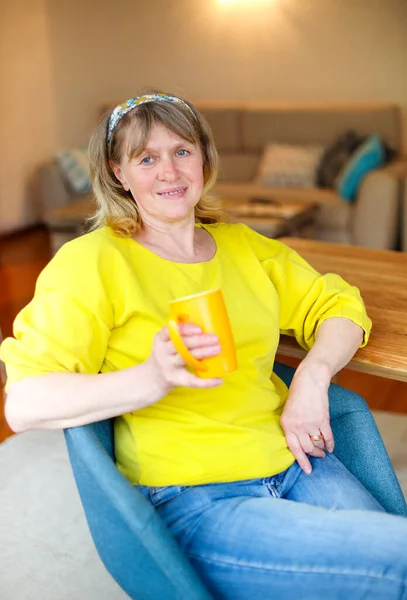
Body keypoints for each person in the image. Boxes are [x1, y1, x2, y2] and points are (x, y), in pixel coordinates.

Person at [1, 91, 407, 599]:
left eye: (182, 151)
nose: (169, 171)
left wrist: (312, 376)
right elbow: (25, 403)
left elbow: (341, 307)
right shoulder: (91, 264)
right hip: (197, 498)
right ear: (118, 173)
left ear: (204, 160)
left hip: (298, 463)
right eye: (146, 158)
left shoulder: (242, 246)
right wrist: (147, 380)